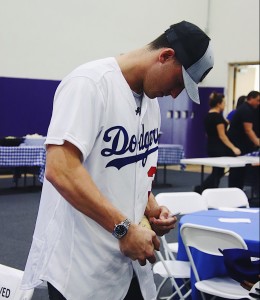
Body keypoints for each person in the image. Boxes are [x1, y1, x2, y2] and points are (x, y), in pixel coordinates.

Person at [21, 21, 214, 300]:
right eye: (177, 83)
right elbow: (61, 169)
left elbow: (136, 169)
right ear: (165, 56)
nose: (174, 95)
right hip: (82, 266)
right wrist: (123, 228)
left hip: (128, 263)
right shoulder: (89, 84)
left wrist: (151, 208)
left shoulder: (151, 103)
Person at [194, 92, 241, 194]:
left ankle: (206, 189)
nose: (225, 105)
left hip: (210, 145)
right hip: (218, 147)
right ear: (219, 104)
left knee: (217, 171)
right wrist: (233, 148)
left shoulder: (209, 116)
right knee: (218, 172)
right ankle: (202, 189)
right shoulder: (217, 117)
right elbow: (222, 136)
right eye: (224, 103)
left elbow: (208, 133)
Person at [228, 90, 260, 189]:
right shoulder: (245, 110)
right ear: (250, 98)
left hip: (245, 146)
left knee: (242, 172)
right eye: (258, 100)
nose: (259, 103)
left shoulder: (251, 110)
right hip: (239, 146)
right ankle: (234, 192)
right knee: (237, 172)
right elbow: (248, 130)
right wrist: (258, 143)